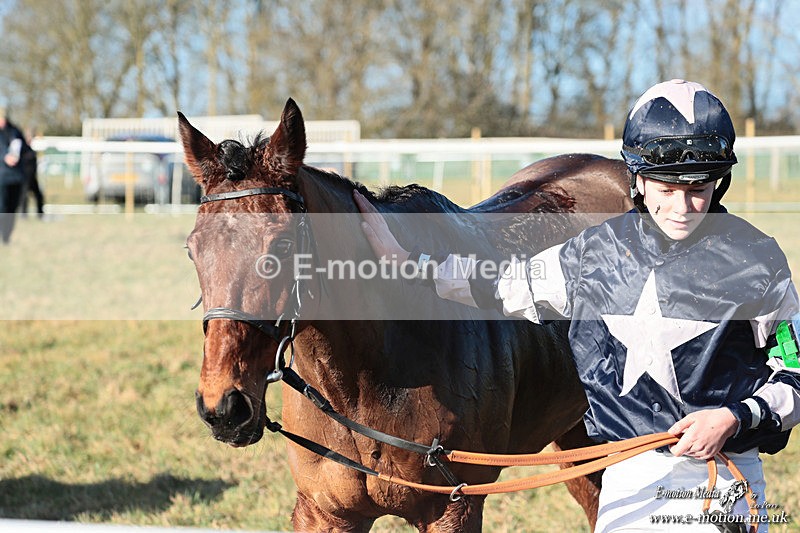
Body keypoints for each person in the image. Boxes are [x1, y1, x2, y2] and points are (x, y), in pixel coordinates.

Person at [354, 79, 800, 531]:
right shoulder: (594, 252)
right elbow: (503, 284)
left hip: (723, 481)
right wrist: (407, 262)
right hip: (629, 481)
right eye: (666, 189)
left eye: (698, 189)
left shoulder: (757, 259)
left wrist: (733, 417)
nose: (683, 207)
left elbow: (796, 376)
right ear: (637, 179)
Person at [0, 106, 26, 244]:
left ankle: (6, 237)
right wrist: (4, 156)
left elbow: (25, 150)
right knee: (2, 207)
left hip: (16, 177)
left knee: (11, 209)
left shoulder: (15, 131)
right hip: (1, 177)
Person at [18, 127, 45, 218]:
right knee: (24, 197)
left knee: (39, 196)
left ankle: (40, 214)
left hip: (32, 178)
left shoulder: (31, 150)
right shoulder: (22, 149)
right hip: (25, 177)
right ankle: (23, 214)